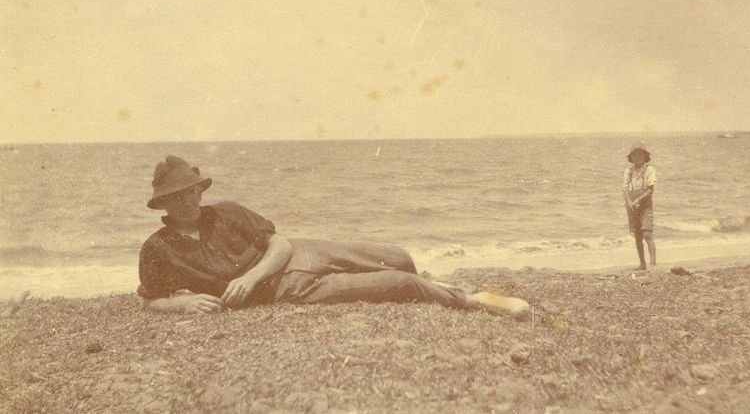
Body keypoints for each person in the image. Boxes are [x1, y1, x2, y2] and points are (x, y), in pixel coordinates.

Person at [138, 155, 530, 319]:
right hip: (283, 292)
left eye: (192, 190)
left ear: (199, 190)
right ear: (164, 203)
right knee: (399, 282)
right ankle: (472, 300)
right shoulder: (157, 249)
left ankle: (436, 284)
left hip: (296, 256)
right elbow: (150, 299)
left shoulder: (226, 211)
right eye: (178, 195)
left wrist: (247, 277)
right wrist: (179, 307)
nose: (189, 200)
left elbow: (281, 243)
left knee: (398, 256)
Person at [622, 142, 657, 270]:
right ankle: (642, 264)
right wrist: (630, 202)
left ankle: (653, 264)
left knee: (647, 234)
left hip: (645, 204)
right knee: (637, 236)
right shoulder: (628, 171)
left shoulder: (649, 170)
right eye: (635, 154)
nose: (638, 157)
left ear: (645, 156)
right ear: (631, 157)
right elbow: (625, 189)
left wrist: (638, 200)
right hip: (631, 206)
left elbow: (650, 189)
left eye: (641, 154)